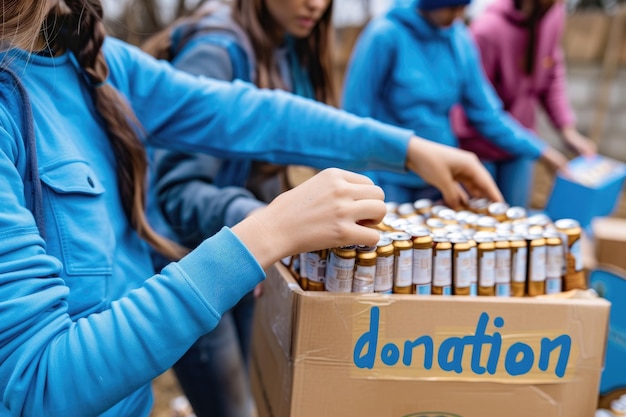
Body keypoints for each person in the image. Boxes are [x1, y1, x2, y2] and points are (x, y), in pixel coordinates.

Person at [0, 1, 502, 416]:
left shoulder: (94, 62)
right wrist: (266, 232)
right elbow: (37, 384)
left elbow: (249, 113)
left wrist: (407, 149)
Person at [142, 0, 337, 415]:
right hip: (191, 264)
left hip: (247, 255)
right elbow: (175, 192)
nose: (317, 4)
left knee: (263, 390)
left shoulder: (287, 46)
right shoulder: (215, 50)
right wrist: (262, 222)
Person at [341, 0, 570, 205]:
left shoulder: (459, 39)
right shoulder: (385, 35)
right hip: (389, 177)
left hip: (439, 175)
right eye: (451, 7)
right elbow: (355, 114)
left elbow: (487, 114)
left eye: (463, 7)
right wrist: (365, 183)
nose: (458, 15)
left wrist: (541, 151)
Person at [451, 0, 597, 207]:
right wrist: (542, 151)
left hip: (521, 146)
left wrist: (566, 129)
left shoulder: (553, 14)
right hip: (479, 148)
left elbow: (550, 70)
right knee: (480, 221)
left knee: (516, 219)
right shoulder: (487, 31)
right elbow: (482, 111)